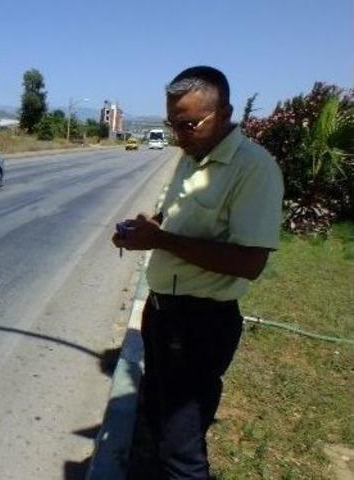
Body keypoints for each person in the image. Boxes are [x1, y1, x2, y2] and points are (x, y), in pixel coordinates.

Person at [112, 66, 284, 479]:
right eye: (173, 124)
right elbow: (174, 217)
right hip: (162, 314)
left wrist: (160, 240)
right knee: (157, 415)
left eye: (188, 125)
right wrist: (147, 228)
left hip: (199, 325)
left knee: (182, 451)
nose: (178, 136)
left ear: (224, 114)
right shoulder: (192, 157)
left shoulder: (253, 168)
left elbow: (250, 262)